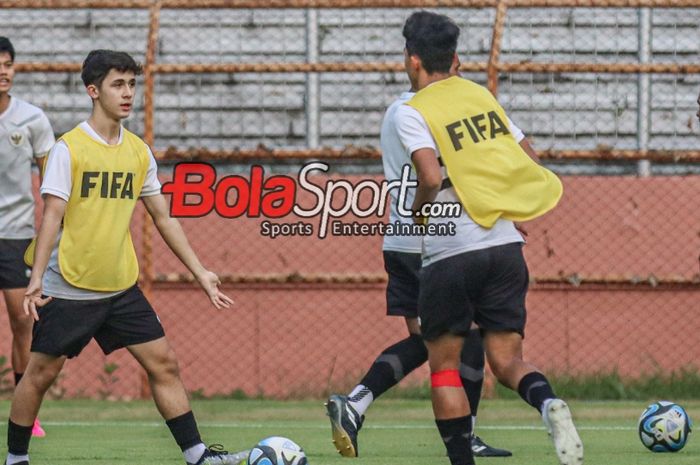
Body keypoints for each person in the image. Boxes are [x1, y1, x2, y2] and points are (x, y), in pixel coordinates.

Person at [4, 50, 247, 465]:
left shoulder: (138, 151)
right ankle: (16, 459)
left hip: (120, 287)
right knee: (40, 374)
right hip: (72, 286)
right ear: (93, 91)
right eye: (119, 84)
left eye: (133, 84)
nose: (128, 93)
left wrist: (201, 271)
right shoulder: (70, 149)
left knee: (164, 364)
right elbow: (51, 217)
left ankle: (198, 455)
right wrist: (37, 279)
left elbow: (163, 217)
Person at [325, 59, 544, 459]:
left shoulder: (404, 110)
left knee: (448, 337)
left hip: (417, 238)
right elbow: (479, 168)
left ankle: (450, 428)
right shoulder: (441, 110)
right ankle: (357, 403)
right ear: (450, 65)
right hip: (432, 240)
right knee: (444, 340)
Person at [396, 11, 583, 465]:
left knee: (443, 367)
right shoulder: (480, 95)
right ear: (456, 58)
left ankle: (462, 460)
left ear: (413, 60)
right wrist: (512, 203)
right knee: (507, 360)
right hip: (503, 246)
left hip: (451, 250)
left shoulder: (412, 109)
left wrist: (420, 210)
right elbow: (526, 155)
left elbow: (428, 173)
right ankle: (548, 403)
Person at [0, 36, 55, 439]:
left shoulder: (31, 118)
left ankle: (26, 412)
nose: (3, 71)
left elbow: (53, 180)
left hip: (16, 234)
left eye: (8, 64)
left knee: (23, 321)